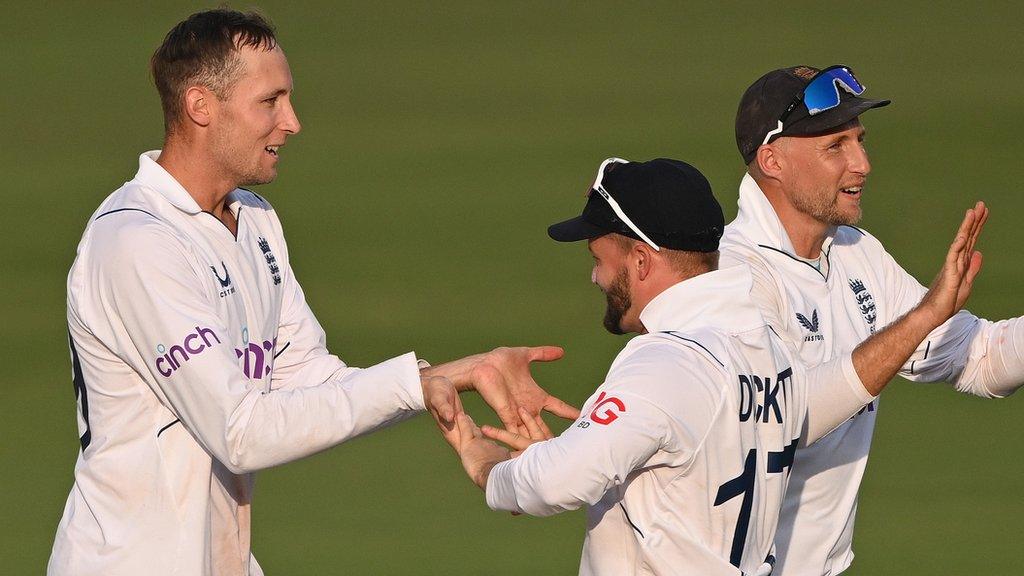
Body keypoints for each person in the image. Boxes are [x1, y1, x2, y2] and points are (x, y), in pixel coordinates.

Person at [49, 9, 577, 576]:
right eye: (270, 101)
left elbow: (310, 382)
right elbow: (240, 432)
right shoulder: (136, 241)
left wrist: (453, 383)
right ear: (201, 106)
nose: (293, 122)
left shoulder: (253, 220)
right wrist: (419, 382)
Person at [438, 156, 984, 575]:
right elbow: (825, 397)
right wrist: (925, 316)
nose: (596, 279)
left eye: (598, 260)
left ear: (642, 259)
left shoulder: (664, 364)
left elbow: (554, 483)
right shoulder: (764, 351)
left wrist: (486, 464)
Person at [721, 64, 1022, 575]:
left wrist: (928, 323)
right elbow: (785, 421)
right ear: (772, 159)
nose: (862, 164)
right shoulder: (734, 276)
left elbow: (980, 359)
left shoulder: (855, 252)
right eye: (834, 146)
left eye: (859, 140)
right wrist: (923, 317)